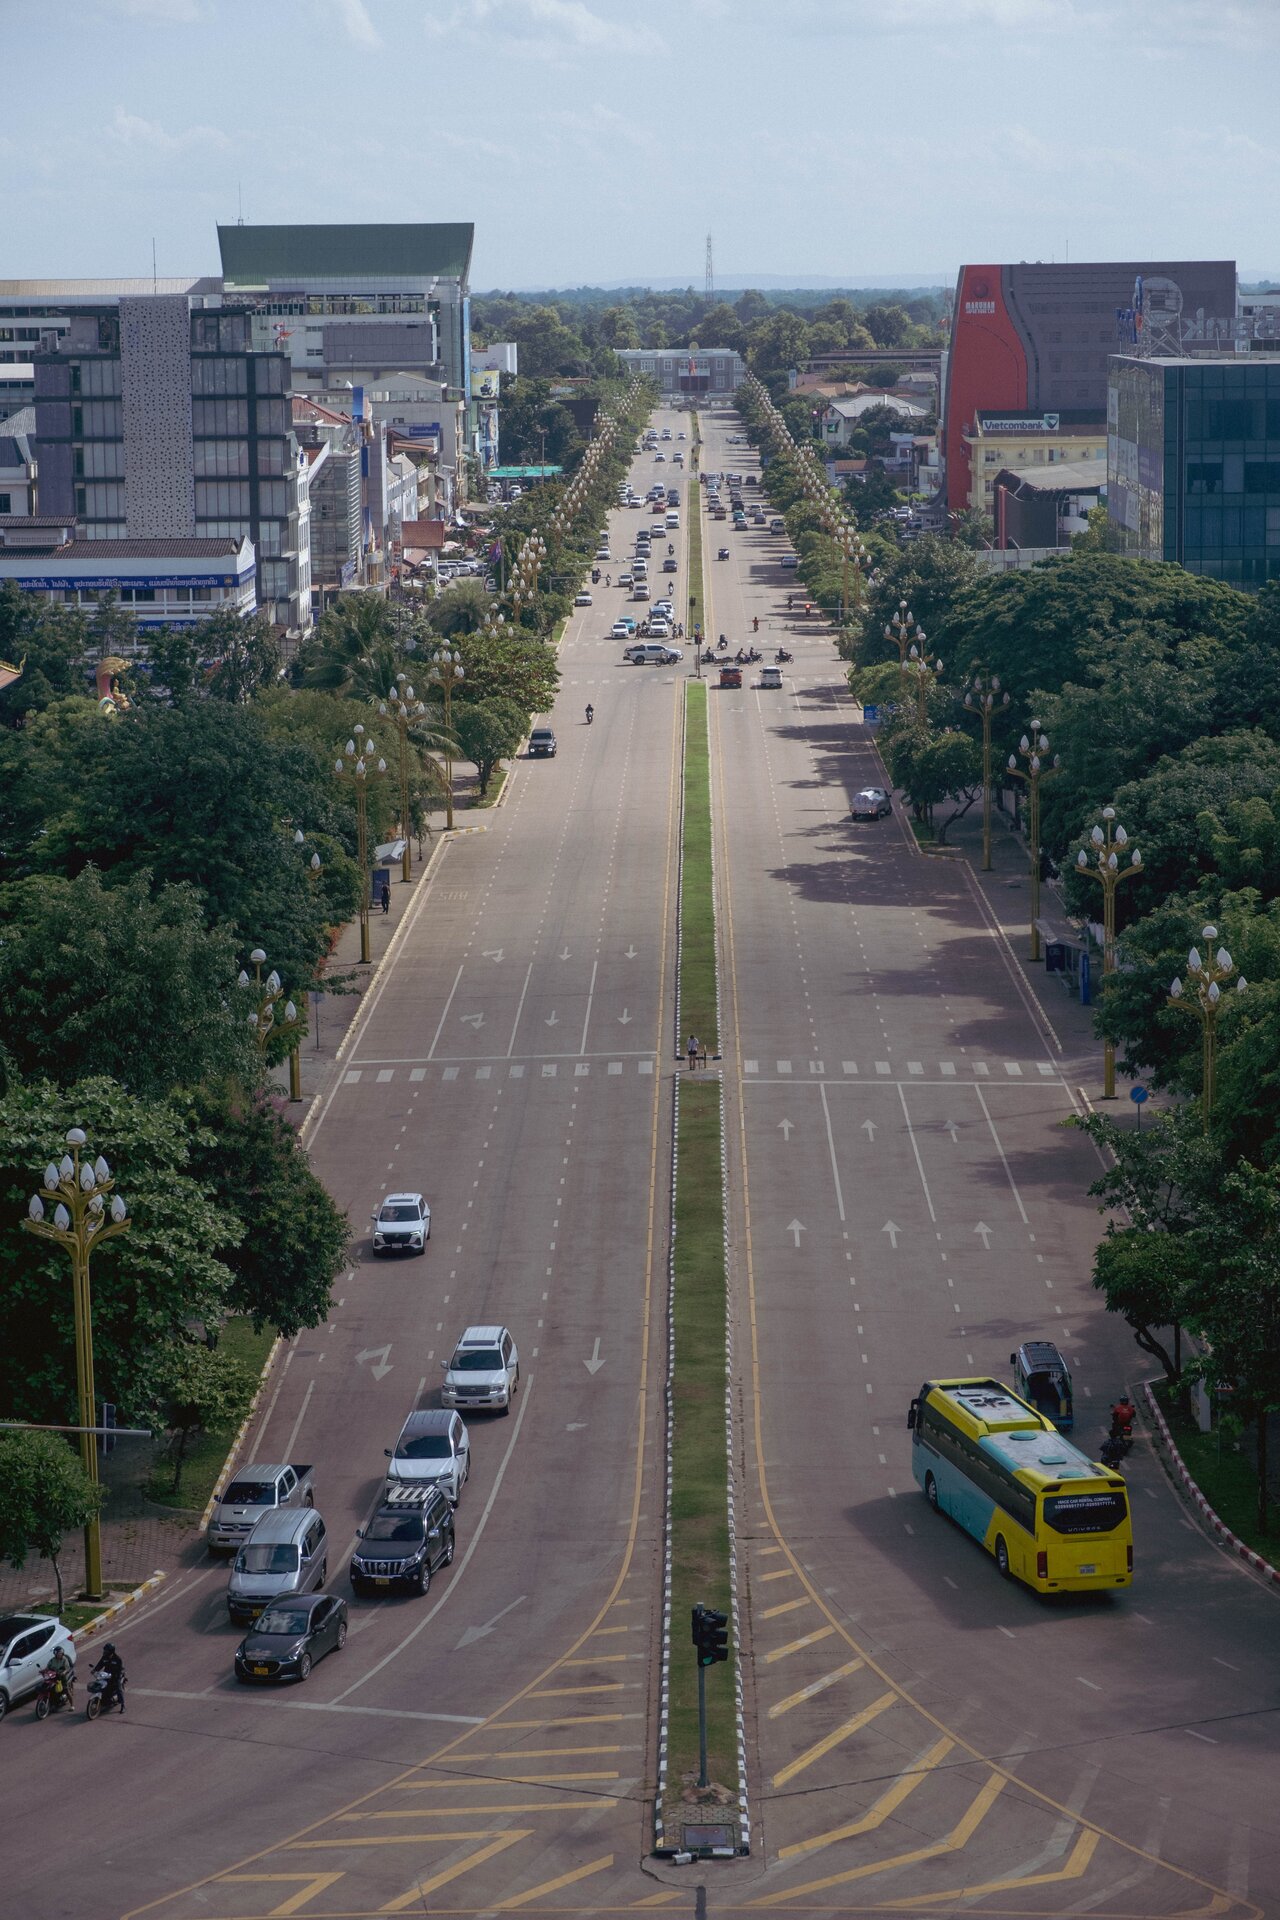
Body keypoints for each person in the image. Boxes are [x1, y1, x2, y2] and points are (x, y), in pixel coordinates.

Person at [93, 1643, 126, 1715]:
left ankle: (123, 1705)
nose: (104, 1651)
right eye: (104, 1650)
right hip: (106, 1675)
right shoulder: (104, 1657)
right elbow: (100, 1664)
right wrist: (95, 1670)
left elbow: (119, 1670)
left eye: (106, 1650)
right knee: (99, 1684)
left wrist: (116, 1677)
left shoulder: (117, 1659)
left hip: (115, 1676)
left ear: (111, 1651)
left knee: (118, 1689)